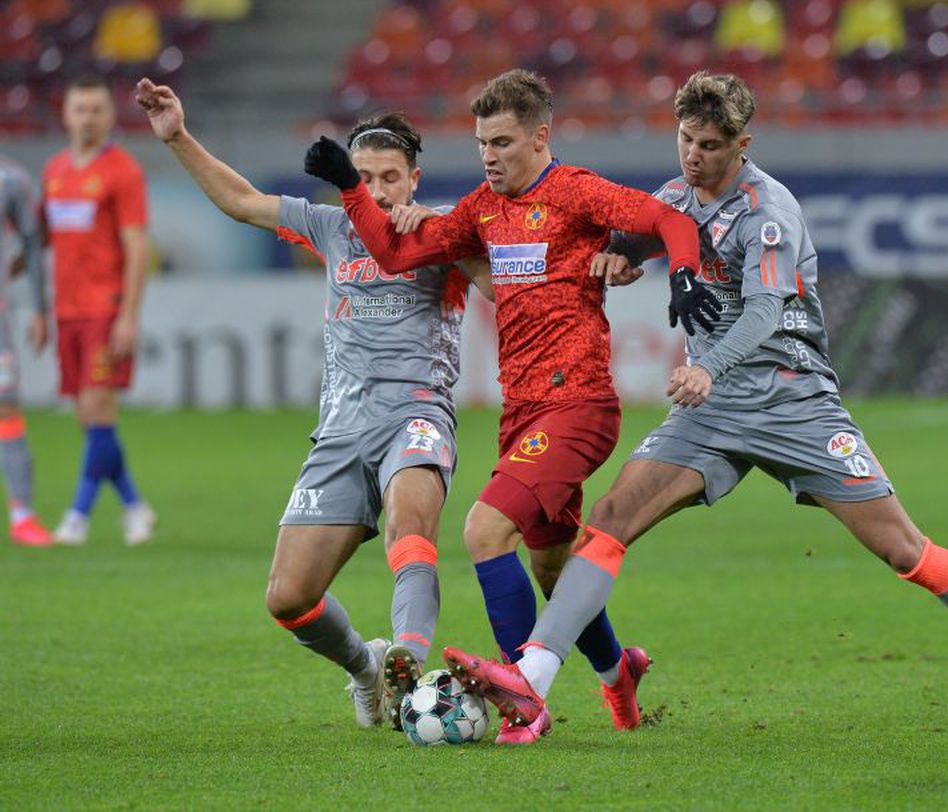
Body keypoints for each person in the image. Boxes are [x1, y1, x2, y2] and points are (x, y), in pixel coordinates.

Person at [439, 71, 948, 741]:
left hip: (793, 400)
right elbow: (638, 236)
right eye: (685, 140)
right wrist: (617, 258)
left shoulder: (768, 211)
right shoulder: (678, 197)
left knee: (905, 550)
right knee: (607, 520)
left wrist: (705, 365)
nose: (693, 156)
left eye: (710, 145)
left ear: (742, 144)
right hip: (713, 413)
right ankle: (533, 680)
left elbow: (763, 313)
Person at [304, 68, 720, 744]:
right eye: (480, 144)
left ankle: (519, 692)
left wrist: (681, 271)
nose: (489, 156)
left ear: (540, 137)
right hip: (522, 413)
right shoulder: (479, 210)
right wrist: (354, 192)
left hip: (579, 404)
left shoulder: (577, 193)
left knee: (482, 531)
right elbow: (392, 249)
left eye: (501, 142)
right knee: (554, 571)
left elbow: (668, 217)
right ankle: (619, 673)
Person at [135, 78, 491, 729]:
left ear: (414, 178)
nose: (379, 190)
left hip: (417, 415)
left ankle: (409, 667)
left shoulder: (443, 234)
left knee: (409, 526)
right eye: (365, 176)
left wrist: (452, 238)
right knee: (289, 597)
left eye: (391, 177)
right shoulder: (329, 227)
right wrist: (177, 136)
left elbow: (500, 289)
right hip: (341, 430)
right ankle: (367, 667)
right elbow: (241, 201)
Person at [41, 75, 155, 546]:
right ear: (65, 114)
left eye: (96, 109)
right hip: (66, 311)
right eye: (79, 109)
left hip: (104, 308)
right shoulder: (54, 172)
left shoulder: (122, 172)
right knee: (88, 417)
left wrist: (128, 314)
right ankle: (135, 506)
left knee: (98, 406)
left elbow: (137, 249)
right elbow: (43, 240)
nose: (87, 118)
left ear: (109, 116)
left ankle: (77, 516)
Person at [0, 154, 52, 546]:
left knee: (7, 409)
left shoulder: (11, 179)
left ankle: (22, 516)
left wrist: (39, 308)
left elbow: (32, 245)